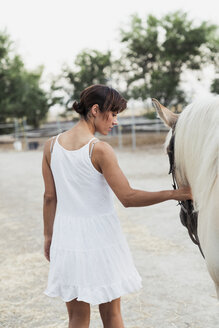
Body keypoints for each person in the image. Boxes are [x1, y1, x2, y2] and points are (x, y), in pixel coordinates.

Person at [42, 84, 192, 328]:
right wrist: (177, 193)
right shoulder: (99, 150)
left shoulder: (50, 147)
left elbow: (49, 197)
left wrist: (49, 236)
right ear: (95, 110)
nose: (115, 121)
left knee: (77, 318)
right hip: (100, 238)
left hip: (65, 237)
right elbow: (128, 197)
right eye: (112, 114)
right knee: (111, 315)